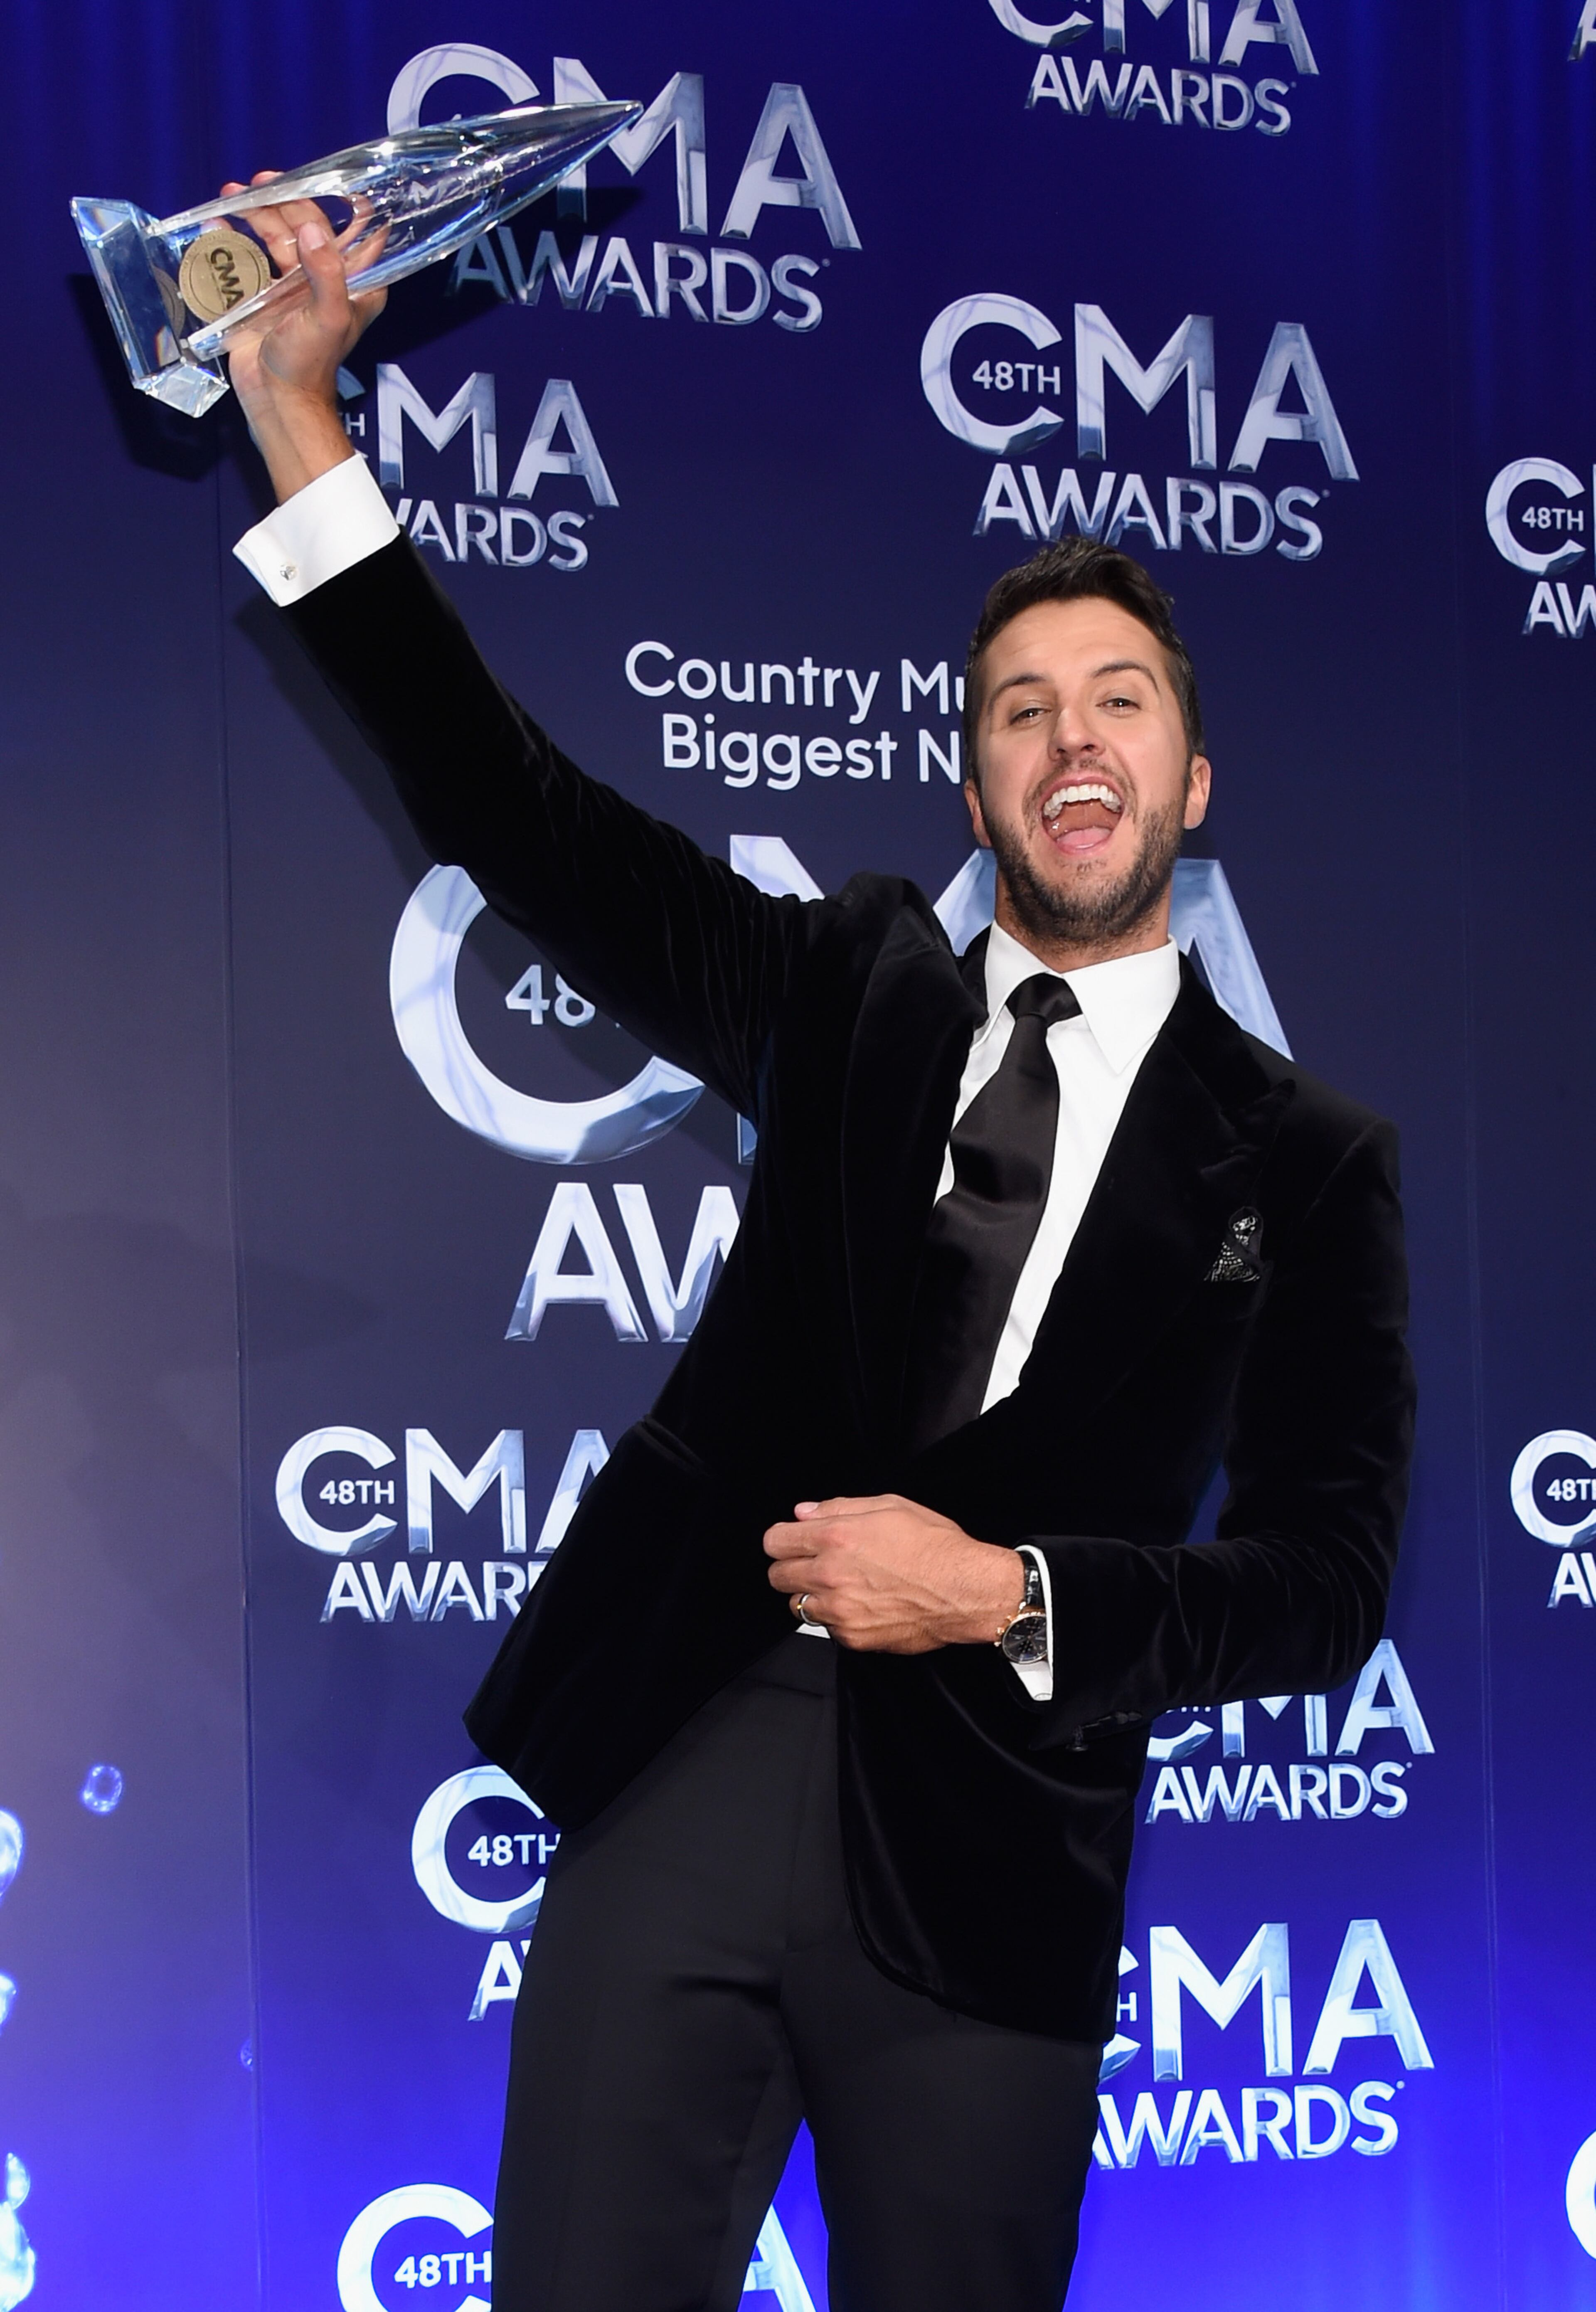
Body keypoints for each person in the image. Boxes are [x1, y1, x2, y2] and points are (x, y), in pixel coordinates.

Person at [226, 193, 1414, 2312]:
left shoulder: (1312, 1160)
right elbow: (514, 809)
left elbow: (1326, 1582)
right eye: (1023, 707)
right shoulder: (852, 985)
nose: (1072, 737)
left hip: (999, 1853)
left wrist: (1004, 1592)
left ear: (1189, 778)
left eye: (1117, 701)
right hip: (695, 1748)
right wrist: (306, 425)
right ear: (975, 787)